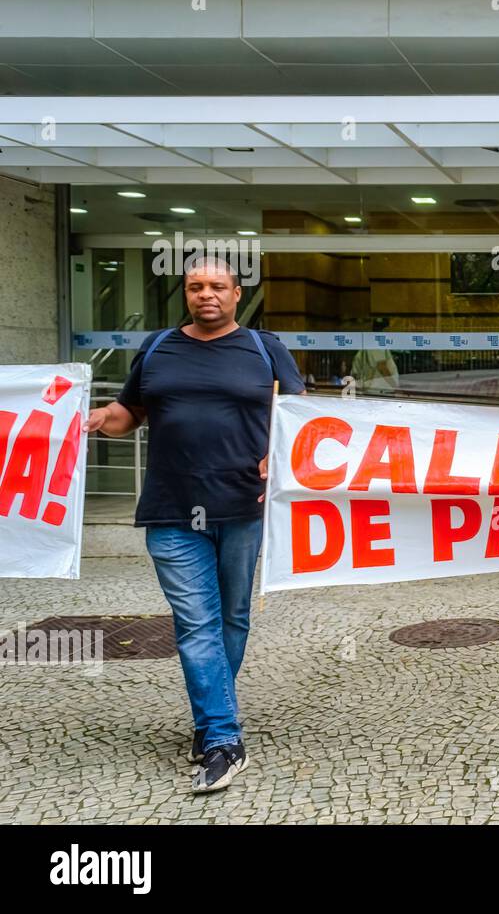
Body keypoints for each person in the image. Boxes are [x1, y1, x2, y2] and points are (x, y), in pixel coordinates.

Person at [85, 256, 305, 794]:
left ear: (235, 293)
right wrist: (88, 418)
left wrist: (282, 457)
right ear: (186, 294)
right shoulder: (159, 348)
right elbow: (126, 413)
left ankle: (210, 719)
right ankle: (223, 740)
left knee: (233, 618)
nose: (206, 294)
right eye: (195, 287)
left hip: (242, 506)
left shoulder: (263, 348)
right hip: (170, 508)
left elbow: (302, 421)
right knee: (196, 624)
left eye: (217, 286)